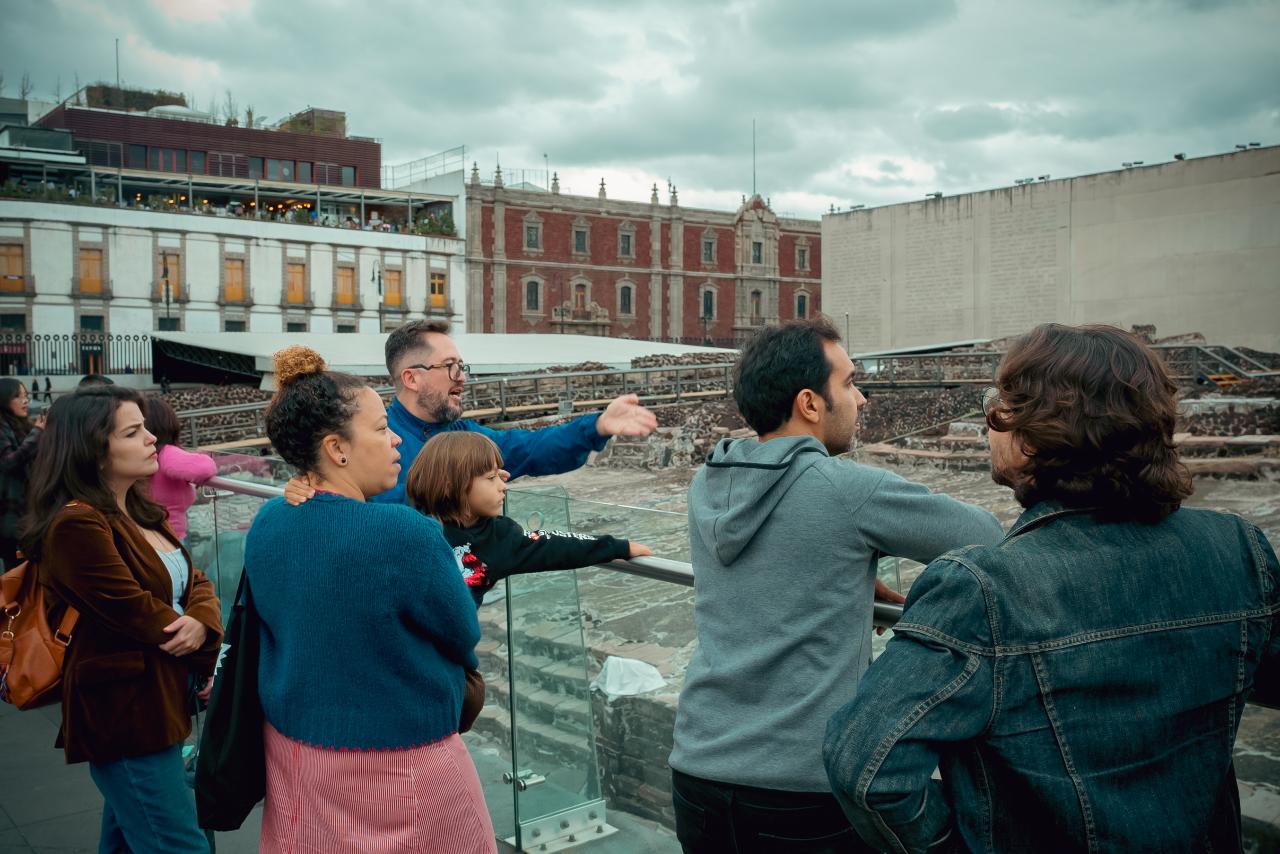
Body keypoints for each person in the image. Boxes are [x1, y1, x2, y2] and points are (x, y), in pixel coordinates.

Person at [824, 324, 1280, 852]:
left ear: (1038, 431)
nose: (988, 422)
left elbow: (865, 766)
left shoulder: (982, 588)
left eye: (1001, 403)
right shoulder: (1239, 549)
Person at [668, 318, 1003, 853]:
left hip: (697, 771)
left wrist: (842, 580)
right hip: (801, 791)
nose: (862, 399)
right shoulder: (845, 489)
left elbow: (775, 565)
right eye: (849, 383)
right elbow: (984, 536)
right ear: (810, 402)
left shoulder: (707, 484)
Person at [246, 346, 494, 852]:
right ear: (338, 449)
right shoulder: (403, 532)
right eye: (382, 429)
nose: (397, 438)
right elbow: (462, 630)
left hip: (294, 754)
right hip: (399, 763)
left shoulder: (268, 521)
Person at [22, 386, 222, 853]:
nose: (152, 439)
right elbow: (134, 612)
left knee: (131, 837)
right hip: (125, 714)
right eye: (134, 432)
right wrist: (198, 631)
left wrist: (203, 623)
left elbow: (198, 582)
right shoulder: (77, 524)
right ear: (93, 449)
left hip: (156, 703)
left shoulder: (138, 509)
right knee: (177, 842)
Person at [371, 319, 657, 504]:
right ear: (411, 378)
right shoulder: (373, 443)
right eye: (450, 366)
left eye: (462, 366)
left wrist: (597, 427)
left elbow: (531, 448)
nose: (462, 377)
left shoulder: (467, 436)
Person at [407, 431, 653, 606]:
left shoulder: (498, 538)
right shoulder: (407, 528)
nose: (503, 486)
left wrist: (618, 547)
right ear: (452, 485)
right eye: (491, 478)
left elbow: (554, 546)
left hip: (448, 662)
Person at [144, 395, 216, 543]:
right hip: (169, 538)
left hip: (148, 536)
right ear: (168, 423)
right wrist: (201, 455)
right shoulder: (166, 453)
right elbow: (205, 468)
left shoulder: (142, 455)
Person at [0, 378, 43, 568]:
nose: (25, 401)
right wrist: (37, 433)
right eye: (18, 396)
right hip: (9, 512)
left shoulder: (22, 425)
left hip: (28, 511)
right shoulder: (1, 427)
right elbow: (8, 462)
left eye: (26, 396)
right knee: (16, 570)